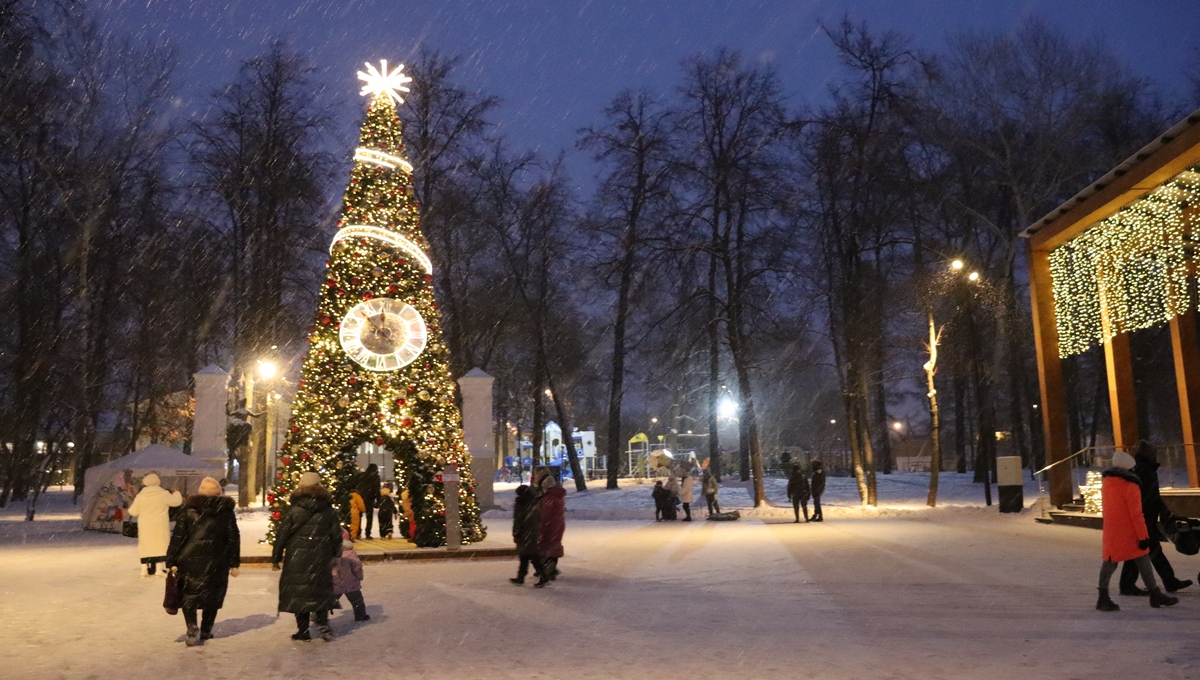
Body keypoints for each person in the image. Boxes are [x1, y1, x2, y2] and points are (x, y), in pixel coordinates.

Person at [1096, 450, 1178, 611]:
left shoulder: (1107, 483)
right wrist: (1143, 536)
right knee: (1141, 559)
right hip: (1129, 531)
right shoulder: (1130, 485)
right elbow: (1136, 514)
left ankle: (1103, 596)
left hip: (1112, 530)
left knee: (1111, 561)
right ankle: (1154, 595)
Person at [165, 476, 240, 646]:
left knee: (189, 596)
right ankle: (206, 629)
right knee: (212, 595)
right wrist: (234, 562)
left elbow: (178, 537)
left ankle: (192, 627)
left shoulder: (188, 510)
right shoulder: (225, 512)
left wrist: (171, 560)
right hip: (217, 561)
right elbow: (233, 538)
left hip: (189, 560)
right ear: (218, 493)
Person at [272, 471, 344, 641]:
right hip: (321, 555)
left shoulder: (293, 509)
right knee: (320, 590)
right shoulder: (328, 510)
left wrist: (276, 557)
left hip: (297, 556)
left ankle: (303, 630)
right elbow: (336, 535)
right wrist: (336, 555)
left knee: (300, 593)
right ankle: (324, 625)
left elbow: (282, 534)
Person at [1119, 440, 1192, 595]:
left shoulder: (1136, 469)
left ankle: (1131, 583)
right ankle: (1132, 584)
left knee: (1145, 550)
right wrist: (1162, 514)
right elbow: (1151, 497)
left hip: (1140, 518)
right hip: (1144, 519)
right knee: (1148, 550)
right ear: (1150, 454)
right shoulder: (1146, 471)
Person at [127, 473, 182, 576]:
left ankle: (144, 570)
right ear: (158, 482)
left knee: (146, 546)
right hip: (160, 525)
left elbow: (132, 511)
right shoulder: (163, 494)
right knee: (160, 545)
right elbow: (176, 502)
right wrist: (177, 493)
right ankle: (159, 569)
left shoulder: (141, 496)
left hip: (145, 526)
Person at [510, 484, 545, 585]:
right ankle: (522, 577)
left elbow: (518, 521)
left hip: (524, 534)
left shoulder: (520, 505)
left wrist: (516, 533)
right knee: (527, 556)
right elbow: (539, 518)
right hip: (532, 532)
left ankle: (541, 576)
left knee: (529, 556)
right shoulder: (534, 503)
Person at [536, 474, 566, 588]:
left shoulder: (548, 499)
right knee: (554, 547)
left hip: (550, 527)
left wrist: (541, 530)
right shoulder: (558, 497)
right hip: (558, 526)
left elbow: (545, 516)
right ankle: (551, 570)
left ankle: (547, 573)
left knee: (545, 549)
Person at [332, 529, 369, 621]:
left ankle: (317, 617)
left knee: (328, 601)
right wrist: (359, 577)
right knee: (357, 601)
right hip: (350, 582)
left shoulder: (329, 553)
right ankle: (360, 615)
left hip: (334, 582)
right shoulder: (350, 552)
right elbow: (357, 566)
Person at [356, 464, 381, 539]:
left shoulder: (360, 476)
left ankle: (358, 532)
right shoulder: (375, 477)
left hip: (360, 498)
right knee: (369, 517)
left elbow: (354, 485)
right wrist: (378, 501)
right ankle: (367, 533)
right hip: (370, 499)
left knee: (359, 516)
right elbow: (377, 490)